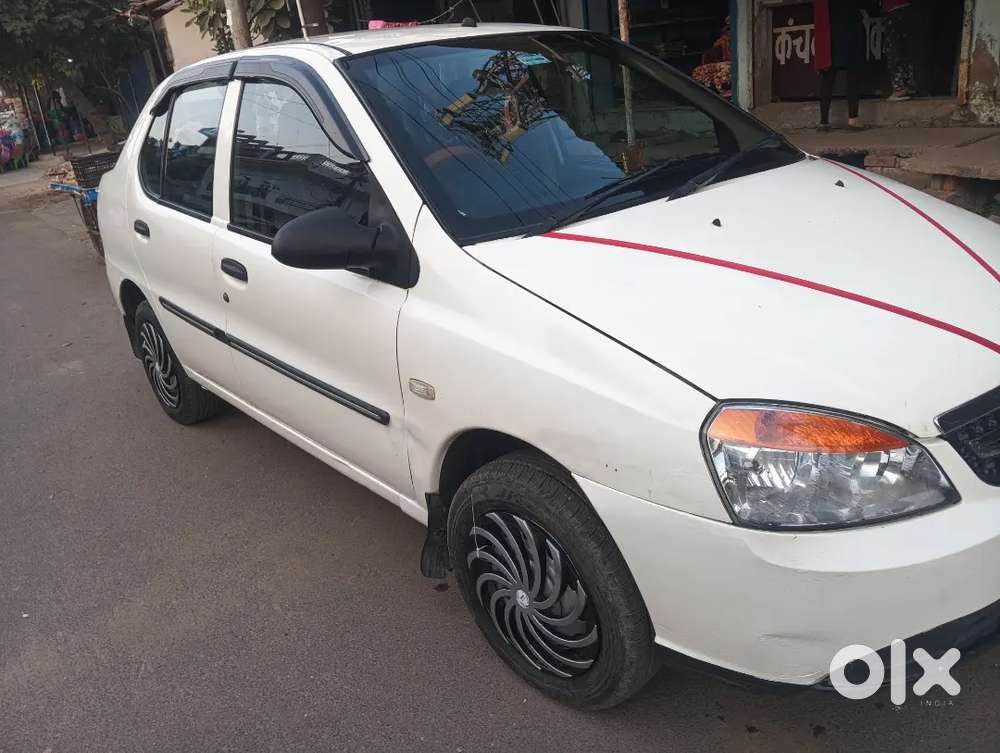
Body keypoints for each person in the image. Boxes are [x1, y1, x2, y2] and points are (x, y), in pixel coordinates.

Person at [813, 0, 867, 130]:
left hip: (830, 34)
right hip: (852, 31)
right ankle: (853, 119)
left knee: (828, 77)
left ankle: (824, 122)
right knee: (853, 75)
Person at [882, 0, 916, 100]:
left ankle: (899, 88)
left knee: (893, 49)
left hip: (892, 10)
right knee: (904, 48)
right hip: (906, 8)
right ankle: (908, 84)